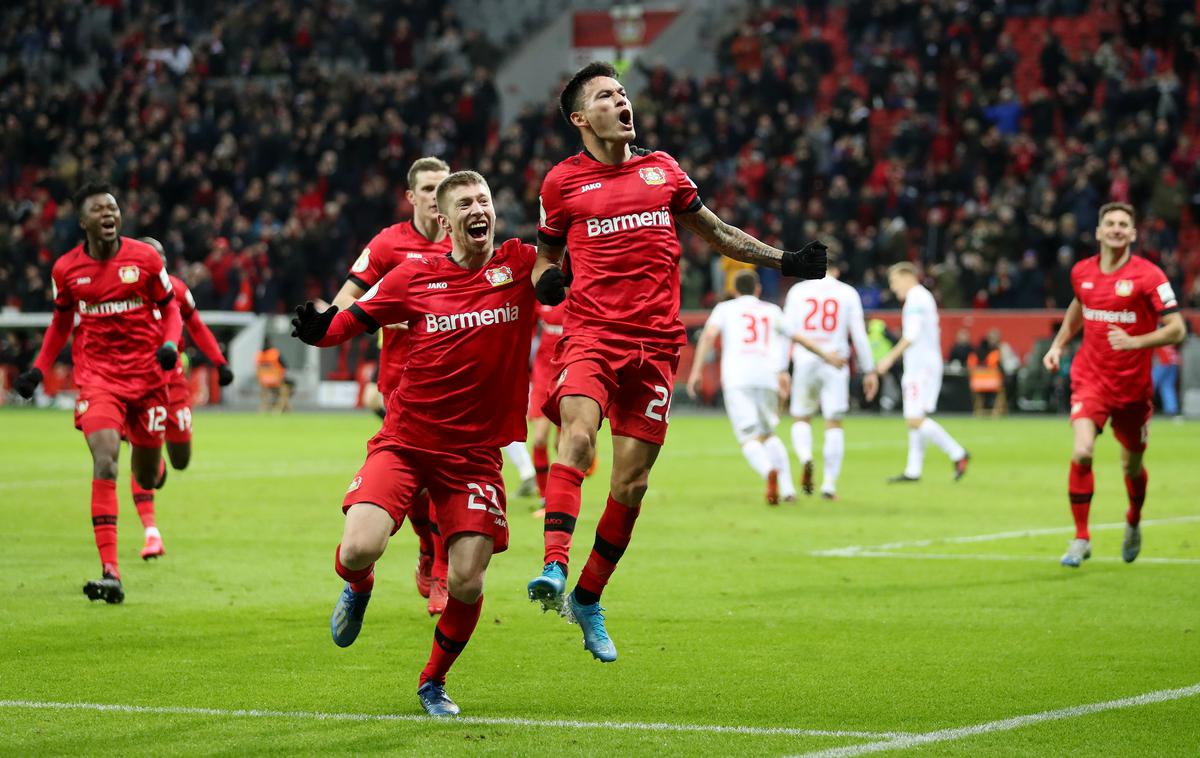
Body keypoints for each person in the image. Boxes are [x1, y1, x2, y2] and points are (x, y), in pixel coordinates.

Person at [526, 61, 827, 662]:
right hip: (592, 336)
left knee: (631, 483)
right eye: (607, 96)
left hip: (657, 346)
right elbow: (542, 262)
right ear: (582, 118)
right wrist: (547, 285)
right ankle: (554, 569)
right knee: (578, 439)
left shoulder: (662, 169)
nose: (622, 101)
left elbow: (718, 234)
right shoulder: (562, 183)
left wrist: (785, 260)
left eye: (623, 93)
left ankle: (588, 597)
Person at [291, 170, 536, 716]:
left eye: (486, 201)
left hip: (473, 457)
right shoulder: (413, 273)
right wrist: (316, 327)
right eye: (466, 203)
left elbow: (566, 259)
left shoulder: (518, 263)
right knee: (358, 548)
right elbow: (348, 323)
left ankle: (432, 682)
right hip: (405, 441)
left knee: (468, 583)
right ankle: (358, 586)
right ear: (444, 220)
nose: (480, 210)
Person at [14, 182, 182, 603]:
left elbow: (172, 307)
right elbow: (60, 324)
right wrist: (37, 369)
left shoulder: (144, 258)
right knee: (105, 460)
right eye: (99, 209)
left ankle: (153, 469)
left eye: (113, 207)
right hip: (98, 381)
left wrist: (168, 343)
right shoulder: (66, 270)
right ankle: (111, 572)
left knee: (146, 475)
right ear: (83, 221)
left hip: (147, 382)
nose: (108, 214)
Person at [327, 156, 458, 615]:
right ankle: (427, 546)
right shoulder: (388, 244)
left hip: (455, 382)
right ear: (412, 196)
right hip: (399, 383)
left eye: (442, 186)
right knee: (417, 489)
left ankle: (442, 573)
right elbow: (347, 298)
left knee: (446, 481)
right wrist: (377, 311)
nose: (435, 195)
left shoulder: (466, 240)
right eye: (427, 189)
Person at [1042, 202, 1184, 568]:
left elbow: (1177, 328)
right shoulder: (1082, 272)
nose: (1117, 229)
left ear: (1134, 234)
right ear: (1099, 231)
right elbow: (1079, 305)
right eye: (1111, 223)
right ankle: (1081, 537)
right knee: (1083, 451)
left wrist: (1137, 342)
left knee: (1132, 467)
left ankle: (1133, 521)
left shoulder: (1150, 276)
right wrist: (1059, 344)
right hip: (1090, 379)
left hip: (1133, 389)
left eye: (1124, 224)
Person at [129, 237, 234, 560]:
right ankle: (151, 532)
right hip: (139, 387)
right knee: (138, 453)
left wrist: (220, 362)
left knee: (180, 461)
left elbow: (198, 327)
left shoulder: (176, 288)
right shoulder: (125, 292)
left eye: (159, 258)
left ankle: (157, 465)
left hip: (174, 387)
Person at [686, 269, 796, 504]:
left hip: (738, 377)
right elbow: (790, 336)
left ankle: (768, 472)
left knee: (748, 437)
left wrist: (696, 371)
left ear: (734, 290)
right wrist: (783, 371)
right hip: (768, 376)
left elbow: (707, 336)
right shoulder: (772, 310)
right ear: (758, 289)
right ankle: (788, 490)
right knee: (768, 433)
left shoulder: (725, 309)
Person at [782, 261, 879, 500]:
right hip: (836, 363)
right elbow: (858, 335)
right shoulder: (847, 293)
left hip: (805, 360)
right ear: (837, 268)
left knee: (801, 418)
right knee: (834, 423)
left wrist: (782, 368)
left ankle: (805, 457)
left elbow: (786, 331)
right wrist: (869, 370)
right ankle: (829, 485)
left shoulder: (799, 291)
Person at [875, 262, 970, 483]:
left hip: (922, 367)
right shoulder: (920, 297)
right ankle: (913, 470)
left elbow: (912, 335)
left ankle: (957, 453)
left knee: (914, 418)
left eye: (894, 281)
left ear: (908, 277)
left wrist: (889, 358)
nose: (893, 287)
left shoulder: (916, 298)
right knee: (915, 418)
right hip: (920, 365)